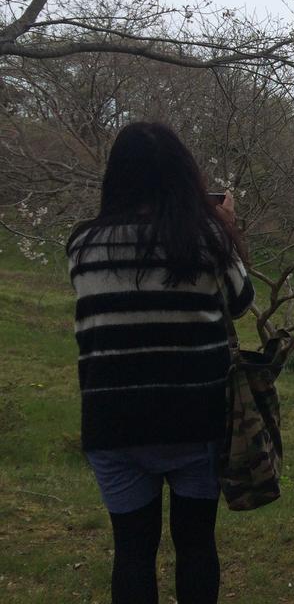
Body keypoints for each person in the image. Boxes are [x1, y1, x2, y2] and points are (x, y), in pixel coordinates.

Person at [67, 122, 254, 604]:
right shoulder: (208, 239)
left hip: (113, 422)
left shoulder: (83, 246)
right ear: (182, 177)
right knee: (195, 545)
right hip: (195, 418)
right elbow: (241, 302)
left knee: (131, 551)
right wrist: (227, 227)